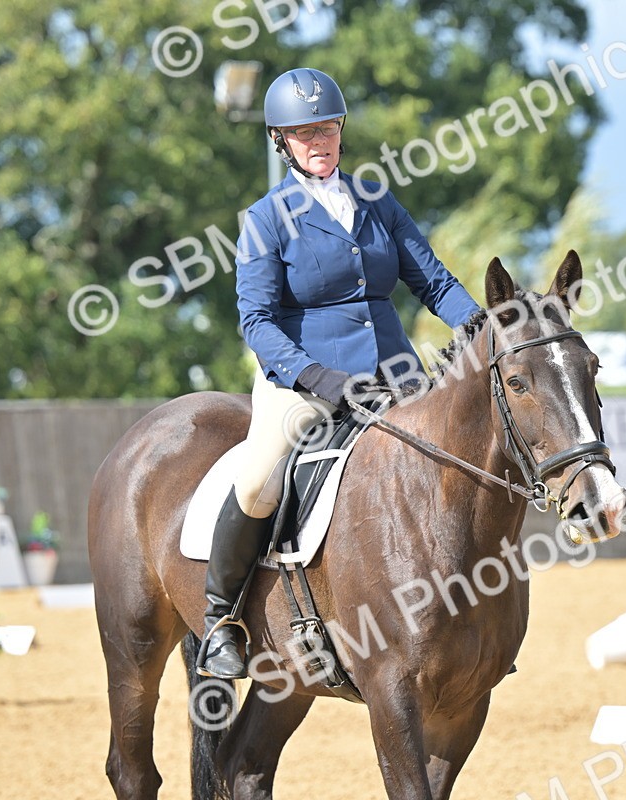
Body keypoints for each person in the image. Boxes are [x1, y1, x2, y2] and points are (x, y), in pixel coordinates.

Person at [198, 67, 483, 679]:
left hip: (395, 372)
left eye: (325, 126)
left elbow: (431, 279)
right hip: (302, 380)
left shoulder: (377, 201)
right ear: (282, 141)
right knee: (258, 482)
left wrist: (481, 324)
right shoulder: (266, 219)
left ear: (341, 130)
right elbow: (257, 321)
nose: (317, 139)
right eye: (303, 133)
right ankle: (223, 617)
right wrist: (313, 377)